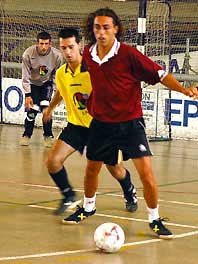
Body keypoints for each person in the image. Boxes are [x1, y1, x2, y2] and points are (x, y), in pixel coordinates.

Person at [62, 8, 198, 239]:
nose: (101, 32)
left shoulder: (129, 54)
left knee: (146, 175)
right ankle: (88, 207)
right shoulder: (88, 53)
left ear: (116, 29)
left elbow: (160, 74)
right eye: (97, 27)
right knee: (91, 169)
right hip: (101, 123)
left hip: (130, 124)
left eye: (106, 27)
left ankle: (154, 219)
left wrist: (184, 90)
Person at [42, 27, 138, 215]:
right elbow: (61, 91)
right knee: (53, 161)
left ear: (80, 45)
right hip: (77, 127)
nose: (68, 52)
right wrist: (51, 108)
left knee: (115, 168)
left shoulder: (94, 70)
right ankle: (68, 195)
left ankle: (129, 191)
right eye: (63, 48)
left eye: (71, 47)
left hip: (101, 127)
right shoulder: (61, 73)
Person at [19, 31, 64, 148]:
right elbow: (25, 75)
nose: (43, 47)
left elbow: (57, 74)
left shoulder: (57, 55)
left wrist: (56, 90)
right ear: (37, 43)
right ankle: (26, 135)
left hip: (46, 84)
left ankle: (48, 136)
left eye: (46, 44)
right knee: (33, 110)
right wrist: (28, 94)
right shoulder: (28, 54)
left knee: (46, 110)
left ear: (50, 44)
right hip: (33, 84)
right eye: (41, 44)